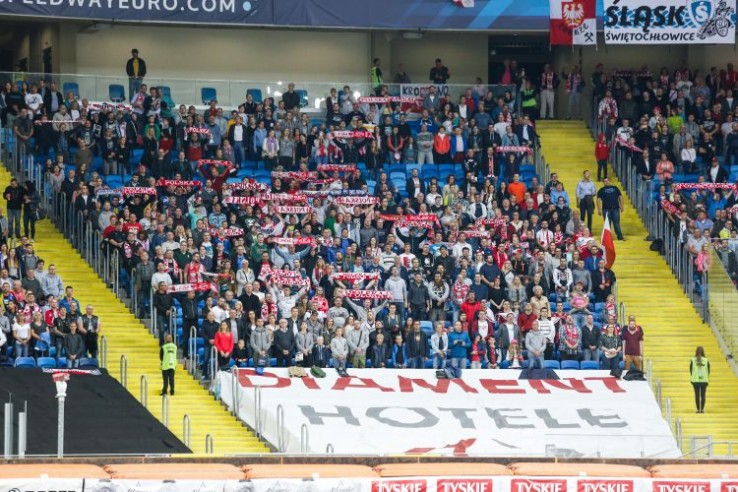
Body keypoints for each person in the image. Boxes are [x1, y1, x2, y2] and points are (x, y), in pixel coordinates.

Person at [690, 346, 710, 413]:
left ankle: (698, 409)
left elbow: (691, 370)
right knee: (703, 395)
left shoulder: (693, 360)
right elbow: (708, 370)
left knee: (697, 395)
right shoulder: (706, 360)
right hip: (704, 380)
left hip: (695, 380)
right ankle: (702, 409)